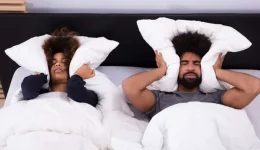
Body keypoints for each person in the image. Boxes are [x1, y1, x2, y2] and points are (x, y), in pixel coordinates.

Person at [122, 32, 260, 119]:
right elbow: (130, 87)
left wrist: (217, 71)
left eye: (197, 64)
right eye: (184, 63)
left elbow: (254, 86)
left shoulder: (217, 97)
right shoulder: (159, 99)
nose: (190, 68)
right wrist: (163, 69)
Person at [21, 27, 99, 107]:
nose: (57, 64)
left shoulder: (88, 94)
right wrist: (42, 75)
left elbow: (74, 90)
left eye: (64, 62)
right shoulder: (40, 94)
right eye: (53, 62)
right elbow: (28, 88)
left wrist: (78, 76)